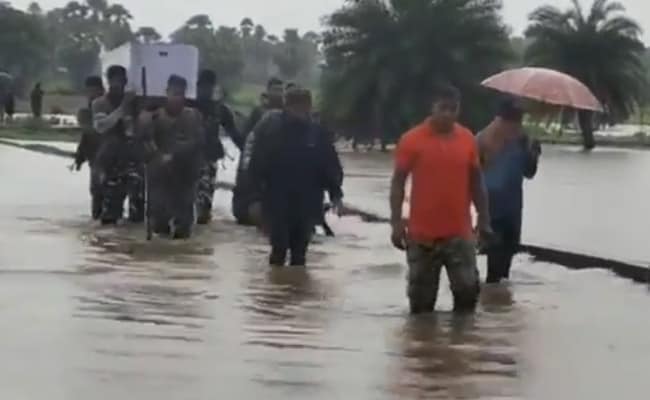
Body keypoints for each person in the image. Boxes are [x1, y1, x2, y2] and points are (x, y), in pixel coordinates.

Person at [389, 84, 491, 314]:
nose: (447, 114)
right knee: (421, 305)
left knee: (467, 298)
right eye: (443, 108)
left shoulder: (467, 140)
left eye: (453, 109)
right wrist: (396, 223)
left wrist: (484, 220)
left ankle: (459, 347)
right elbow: (398, 182)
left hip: (460, 234)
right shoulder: (411, 140)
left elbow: (477, 183)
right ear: (432, 107)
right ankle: (424, 347)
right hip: (422, 236)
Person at [248, 88, 344, 267]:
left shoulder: (317, 134)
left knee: (300, 253)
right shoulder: (272, 131)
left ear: (309, 107)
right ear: (287, 106)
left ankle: (296, 289)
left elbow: (330, 166)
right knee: (279, 248)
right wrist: (254, 200)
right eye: (295, 107)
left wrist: (336, 194)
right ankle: (277, 289)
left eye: (304, 107)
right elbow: (256, 167)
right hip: (277, 201)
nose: (300, 111)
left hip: (307, 202)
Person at [478, 99, 541, 284]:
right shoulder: (482, 140)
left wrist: (533, 154)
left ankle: (497, 304)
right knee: (494, 260)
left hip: (512, 210)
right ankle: (491, 303)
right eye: (509, 120)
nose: (514, 125)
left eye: (517, 120)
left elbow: (529, 173)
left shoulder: (523, 142)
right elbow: (469, 175)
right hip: (489, 208)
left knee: (507, 259)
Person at [139, 75, 204, 239]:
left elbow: (196, 142)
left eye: (181, 94)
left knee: (183, 226)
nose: (177, 98)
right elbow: (144, 141)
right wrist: (156, 153)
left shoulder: (193, 116)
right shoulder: (154, 117)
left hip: (184, 175)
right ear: (167, 93)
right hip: (160, 177)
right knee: (159, 223)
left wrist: (173, 155)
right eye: (174, 93)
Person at [92, 65, 145, 225]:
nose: (117, 85)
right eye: (113, 81)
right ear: (108, 82)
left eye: (120, 81)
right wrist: (123, 108)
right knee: (109, 215)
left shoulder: (135, 103)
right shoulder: (100, 103)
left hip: (132, 161)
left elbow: (141, 129)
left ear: (125, 81)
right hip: (109, 162)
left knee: (137, 214)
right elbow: (101, 126)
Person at [193, 69, 245, 224]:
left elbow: (235, 136)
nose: (205, 90)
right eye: (202, 86)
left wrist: (250, 155)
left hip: (208, 160)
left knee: (203, 210)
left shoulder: (221, 110)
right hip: (187, 160)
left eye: (209, 86)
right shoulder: (189, 104)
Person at [232, 77, 285, 226]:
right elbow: (246, 140)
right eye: (275, 90)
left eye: (281, 90)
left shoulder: (286, 114)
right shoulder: (259, 113)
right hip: (255, 163)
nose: (278, 93)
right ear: (268, 91)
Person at [73, 76, 106, 220]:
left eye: (93, 90)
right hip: (95, 158)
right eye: (89, 91)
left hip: (109, 157)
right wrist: (79, 157)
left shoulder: (108, 106)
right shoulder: (88, 109)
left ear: (100, 89)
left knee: (106, 191)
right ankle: (98, 221)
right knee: (96, 191)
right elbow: (85, 136)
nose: (91, 93)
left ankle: (104, 220)